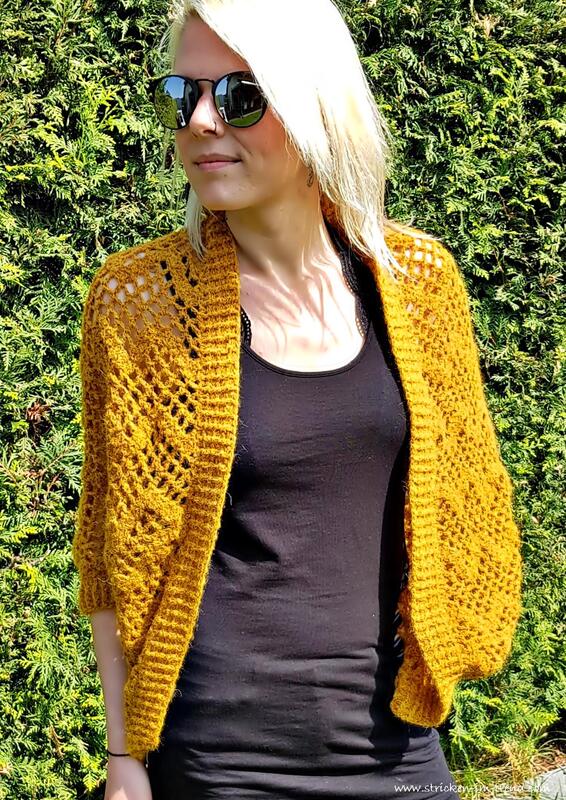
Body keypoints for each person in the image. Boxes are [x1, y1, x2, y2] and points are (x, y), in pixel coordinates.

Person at [71, 2, 523, 799]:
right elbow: (110, 559)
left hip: (397, 748)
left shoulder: (418, 284)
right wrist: (123, 758)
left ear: (315, 106)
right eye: (183, 95)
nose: (201, 121)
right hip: (219, 760)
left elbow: (472, 497)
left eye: (240, 95)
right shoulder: (140, 301)